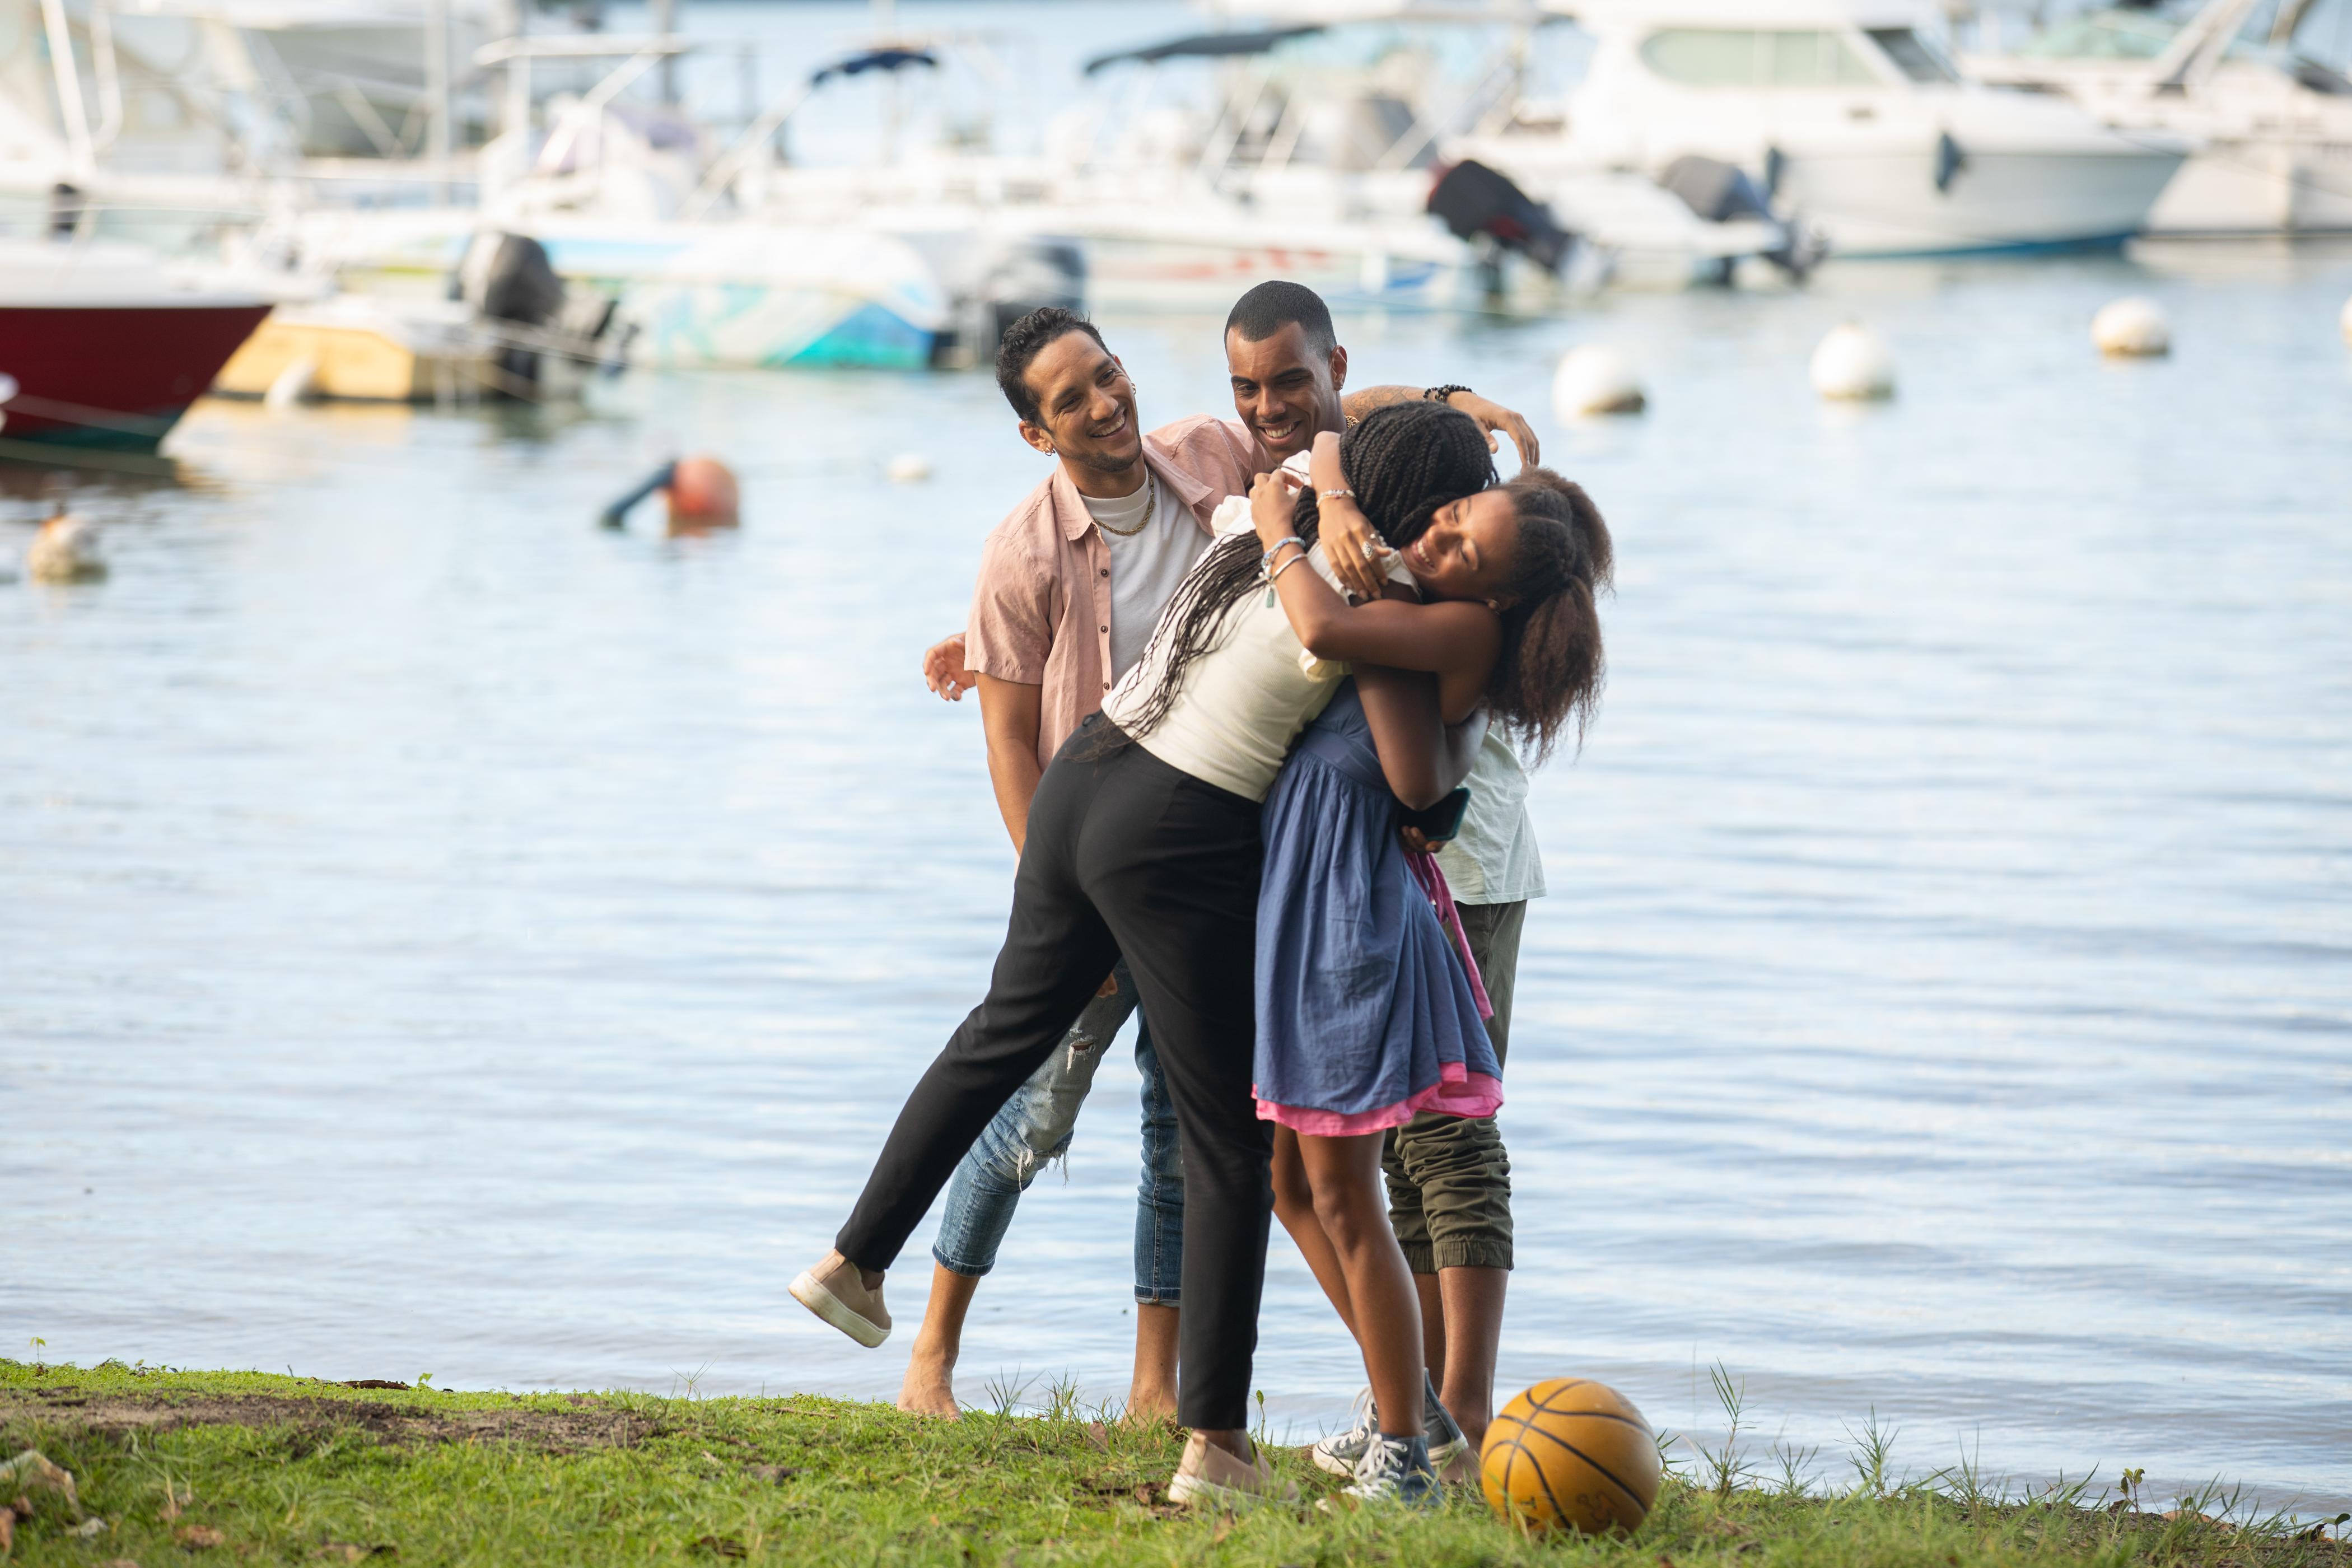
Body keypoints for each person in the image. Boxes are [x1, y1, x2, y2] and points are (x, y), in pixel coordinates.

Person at [792, 399, 1530, 1508]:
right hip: (1175, 818)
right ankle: (1217, 1446)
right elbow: (1407, 763)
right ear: (1420, 508)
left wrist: (1363, 455)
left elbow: (1333, 436)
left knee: (1003, 1029)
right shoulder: (1371, 583)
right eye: (1454, 504)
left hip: (1083, 771)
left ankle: (854, 1260)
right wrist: (1435, 802)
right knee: (1228, 1141)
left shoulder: (1256, 505)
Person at [1094, 407, 1609, 1504]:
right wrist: (1333, 473)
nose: (1443, 543)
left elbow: (1321, 627)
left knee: (1346, 1190)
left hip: (1347, 922)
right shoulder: (1414, 594)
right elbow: (1343, 462)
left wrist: (1287, 524)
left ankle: (1408, 1449)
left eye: (1468, 550)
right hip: (1310, 902)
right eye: (1453, 517)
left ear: (1497, 595)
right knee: (1291, 1175)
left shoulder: (1444, 623)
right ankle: (1411, 1409)